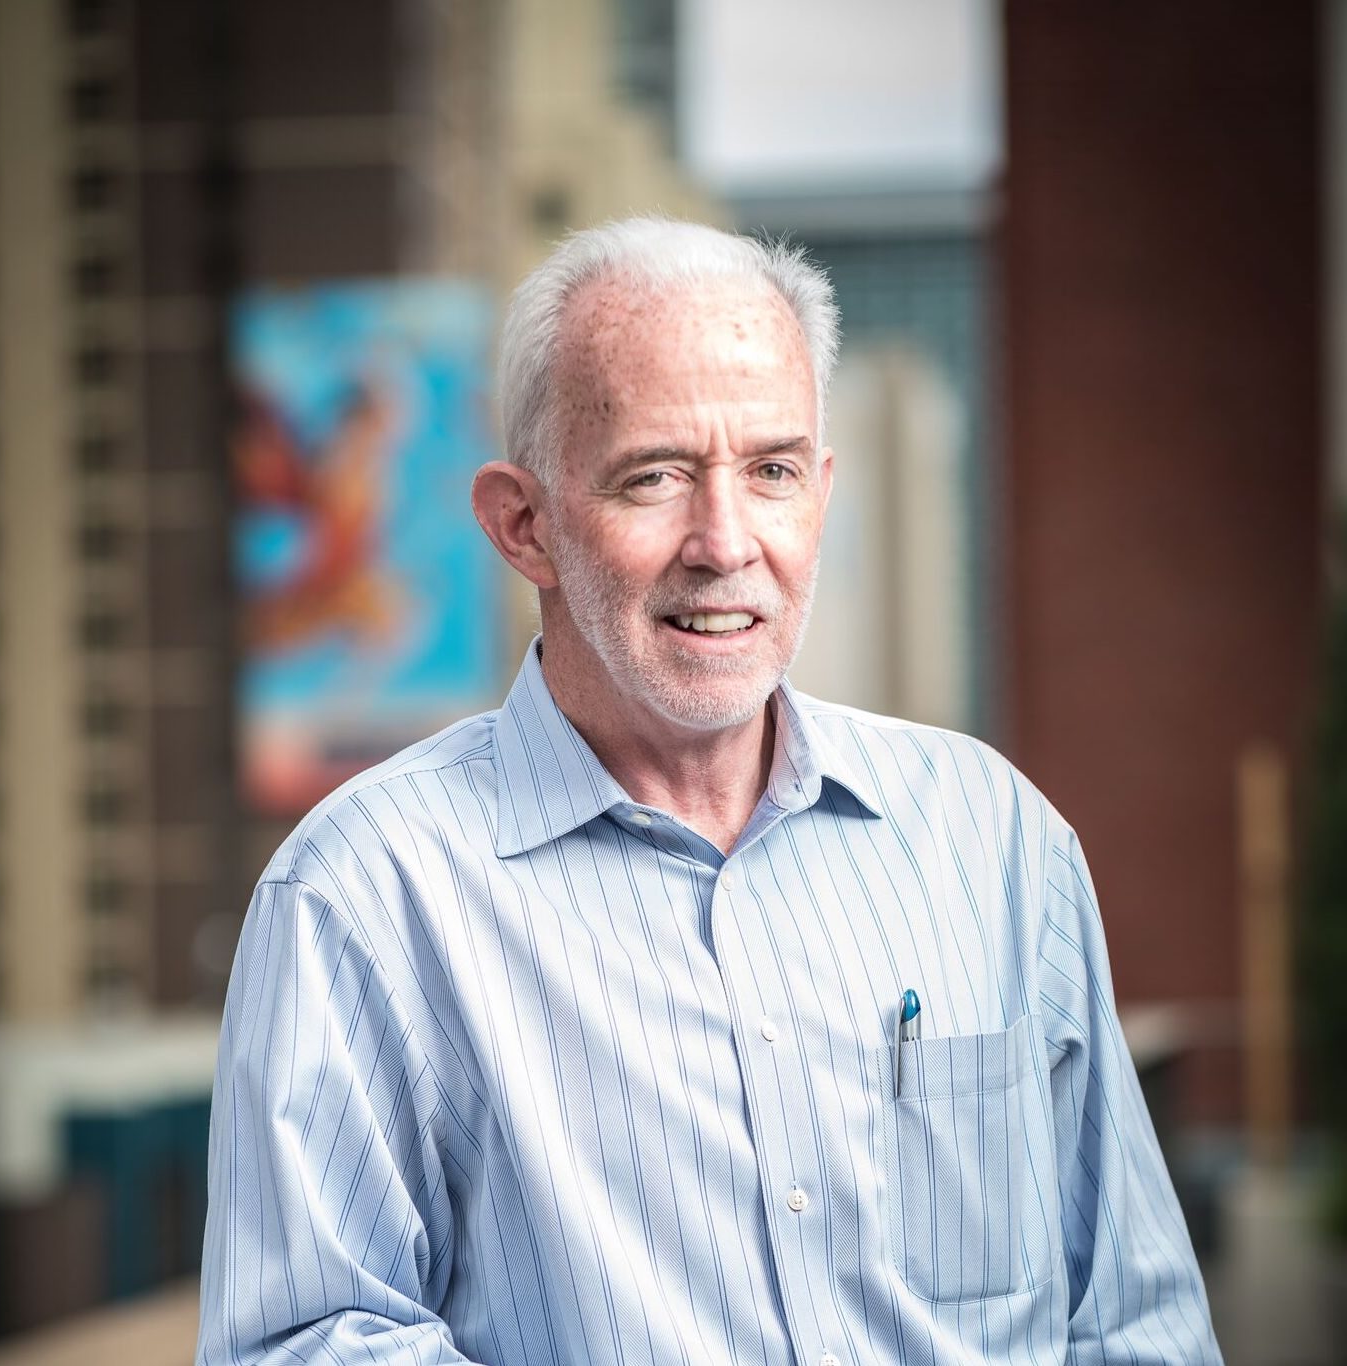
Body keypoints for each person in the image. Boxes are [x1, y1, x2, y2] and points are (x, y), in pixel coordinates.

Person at [197, 218, 1222, 1365]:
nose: (724, 542)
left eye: (771, 471)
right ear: (523, 525)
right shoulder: (361, 897)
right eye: (655, 477)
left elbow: (1132, 1323)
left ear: (818, 495)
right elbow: (304, 1344)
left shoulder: (994, 840)